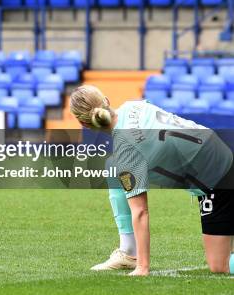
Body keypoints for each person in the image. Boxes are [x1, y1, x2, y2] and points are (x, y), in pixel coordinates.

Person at [70, 85, 234, 276]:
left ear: (84, 123)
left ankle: (134, 257)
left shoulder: (126, 153)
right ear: (106, 100)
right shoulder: (134, 106)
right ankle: (129, 252)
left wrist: (143, 267)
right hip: (219, 150)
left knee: (219, 265)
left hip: (217, 180)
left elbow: (140, 212)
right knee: (111, 164)